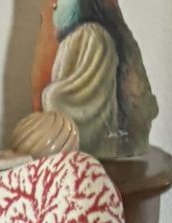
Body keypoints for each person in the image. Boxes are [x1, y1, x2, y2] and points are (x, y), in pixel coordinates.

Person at [37, 0, 158, 159]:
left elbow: (90, 87)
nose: (55, 5)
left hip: (94, 121)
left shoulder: (94, 34)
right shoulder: (72, 37)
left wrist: (55, 95)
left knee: (51, 96)